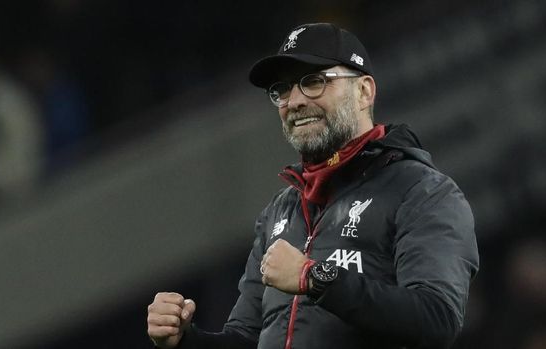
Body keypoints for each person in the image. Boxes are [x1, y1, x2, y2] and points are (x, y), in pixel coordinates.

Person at [147, 23, 479, 349]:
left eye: (313, 82)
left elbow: (438, 320)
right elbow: (247, 337)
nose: (294, 101)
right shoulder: (282, 209)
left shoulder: (422, 191)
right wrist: (184, 340)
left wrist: (315, 278)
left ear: (364, 91)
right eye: (283, 89)